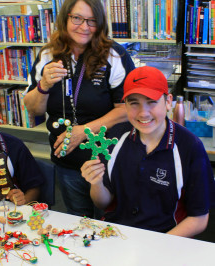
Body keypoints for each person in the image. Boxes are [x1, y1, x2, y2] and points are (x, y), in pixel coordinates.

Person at [24, 0, 135, 218]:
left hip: (107, 160)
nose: (84, 27)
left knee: (114, 220)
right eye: (77, 18)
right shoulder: (47, 55)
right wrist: (44, 85)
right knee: (78, 221)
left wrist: (83, 131)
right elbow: (32, 108)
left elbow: (126, 110)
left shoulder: (114, 55)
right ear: (65, 19)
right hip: (67, 160)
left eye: (92, 21)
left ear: (101, 24)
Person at [81, 66, 214, 237]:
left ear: (168, 101)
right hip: (117, 233)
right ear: (125, 105)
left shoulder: (189, 147)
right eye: (134, 102)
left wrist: (155, 246)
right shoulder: (115, 137)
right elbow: (102, 203)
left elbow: (199, 219)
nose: (143, 113)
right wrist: (96, 182)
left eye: (151, 101)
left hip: (165, 238)